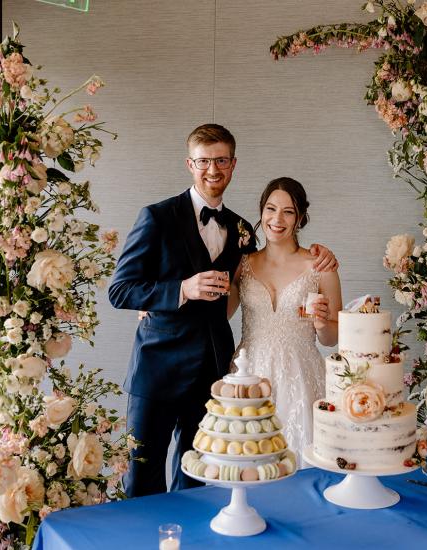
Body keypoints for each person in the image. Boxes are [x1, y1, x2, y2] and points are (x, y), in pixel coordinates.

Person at [108, 124, 337, 496]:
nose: (212, 169)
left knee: (202, 480)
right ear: (189, 164)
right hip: (157, 371)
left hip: (213, 376)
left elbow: (253, 282)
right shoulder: (156, 217)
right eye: (203, 161)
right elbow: (120, 290)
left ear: (233, 164)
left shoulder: (242, 230)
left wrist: (321, 255)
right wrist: (180, 290)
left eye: (221, 161)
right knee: (141, 480)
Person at [228, 177, 342, 465]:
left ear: (300, 218)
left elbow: (332, 338)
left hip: (301, 375)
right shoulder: (242, 264)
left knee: (300, 459)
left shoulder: (320, 266)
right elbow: (217, 315)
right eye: (270, 209)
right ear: (261, 211)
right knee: (249, 463)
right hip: (250, 371)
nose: (277, 219)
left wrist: (321, 324)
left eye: (288, 211)